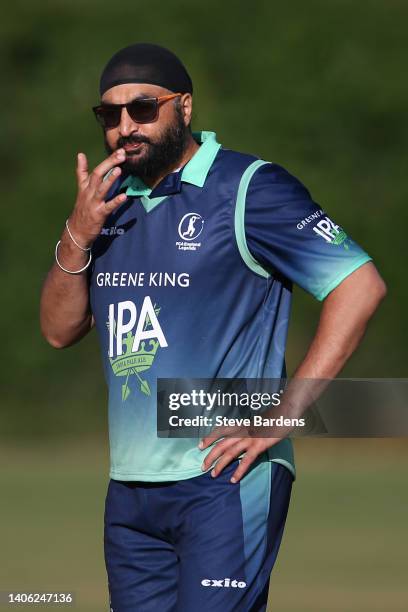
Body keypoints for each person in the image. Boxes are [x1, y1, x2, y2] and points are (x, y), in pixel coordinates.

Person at [40, 43, 386, 612]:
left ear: (185, 107)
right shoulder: (106, 205)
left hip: (223, 479)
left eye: (144, 108)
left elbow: (359, 286)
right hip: (130, 493)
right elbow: (57, 330)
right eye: (110, 115)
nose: (126, 127)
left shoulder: (248, 187)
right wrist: (77, 234)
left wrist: (285, 414)